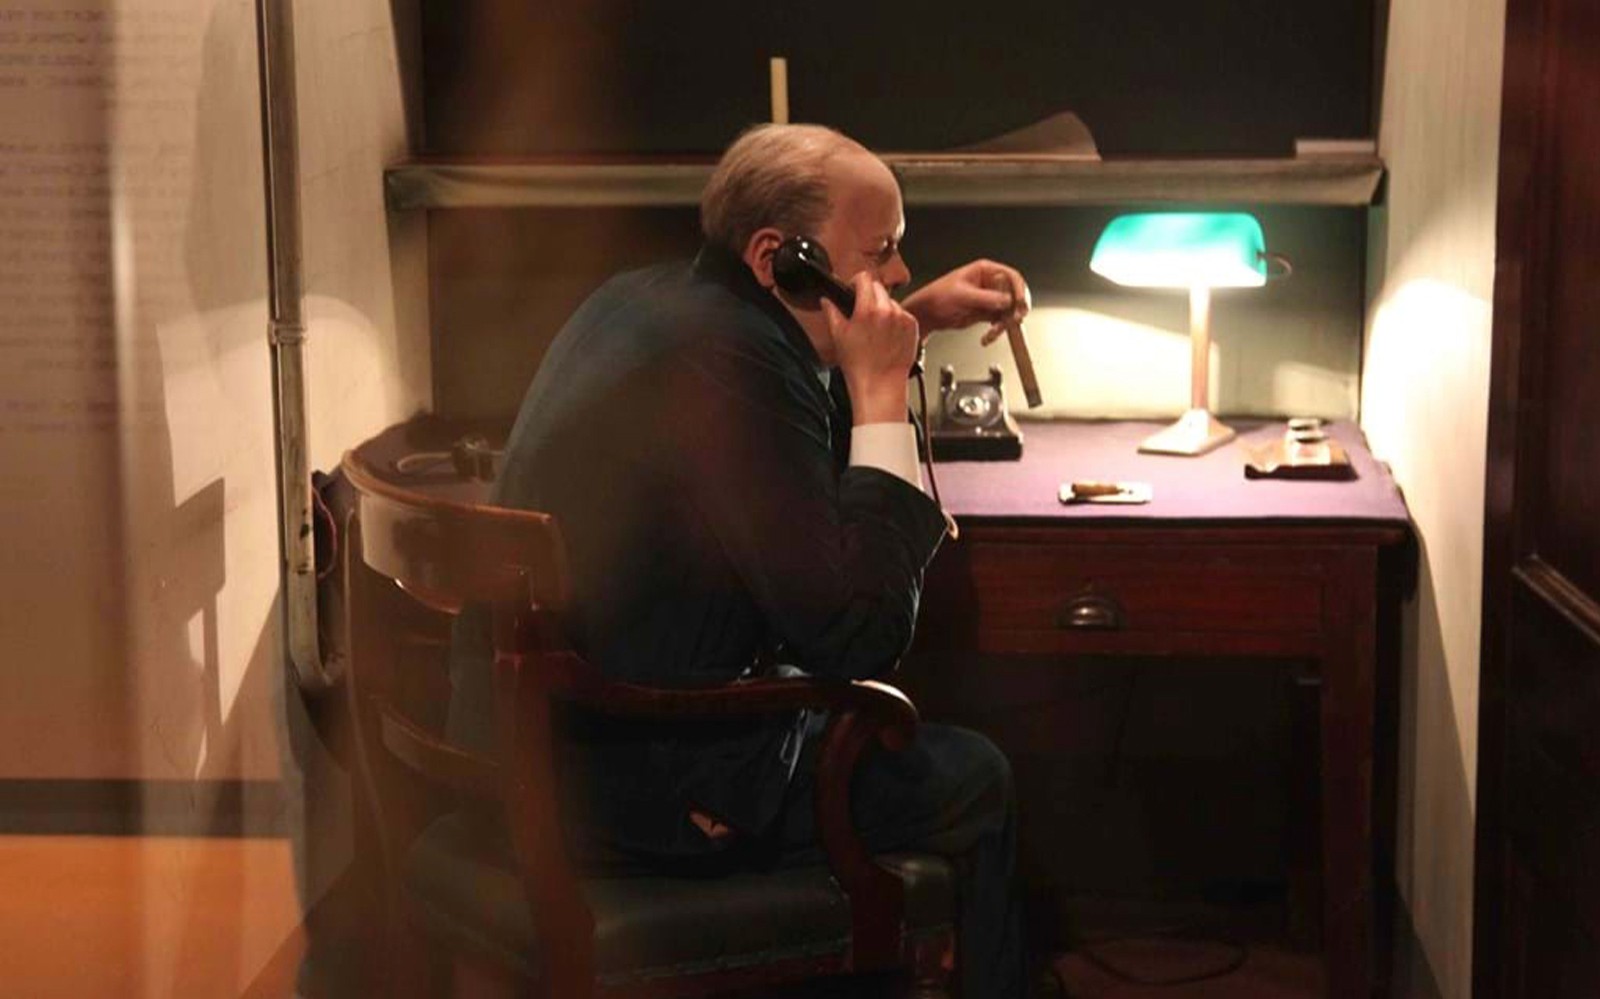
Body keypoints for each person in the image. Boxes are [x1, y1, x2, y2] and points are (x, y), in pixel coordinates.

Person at [449, 122, 1028, 997]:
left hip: (545, 749)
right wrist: (879, 396)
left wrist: (909, 320)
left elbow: (777, 449)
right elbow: (858, 632)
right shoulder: (734, 362)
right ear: (778, 257)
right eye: (884, 254)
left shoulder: (650, 302)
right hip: (649, 788)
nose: (902, 276)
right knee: (976, 776)